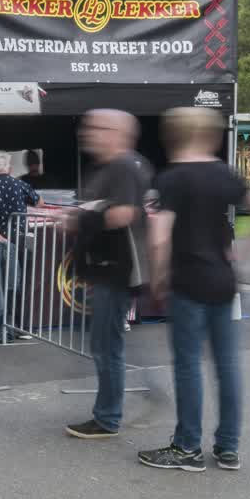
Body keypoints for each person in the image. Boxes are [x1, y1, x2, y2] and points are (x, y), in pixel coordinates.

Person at [138, 108, 250, 472]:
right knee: (228, 366)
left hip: (188, 283)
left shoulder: (172, 178)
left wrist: (156, 279)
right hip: (225, 282)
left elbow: (158, 238)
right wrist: (240, 254)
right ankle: (228, 447)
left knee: (188, 365)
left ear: (174, 136)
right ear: (212, 136)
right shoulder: (225, 174)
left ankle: (187, 447)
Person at [65, 109, 152, 440]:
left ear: (118, 133)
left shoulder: (123, 167)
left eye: (97, 128)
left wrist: (79, 218)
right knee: (106, 343)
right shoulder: (112, 167)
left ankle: (107, 417)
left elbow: (122, 214)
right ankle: (124, 402)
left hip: (116, 271)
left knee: (106, 345)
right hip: (106, 269)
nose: (88, 133)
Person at [0, 151, 42, 340]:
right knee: (16, 284)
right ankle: (15, 327)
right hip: (19, 241)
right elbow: (38, 202)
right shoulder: (20, 185)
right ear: (9, 168)